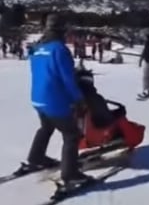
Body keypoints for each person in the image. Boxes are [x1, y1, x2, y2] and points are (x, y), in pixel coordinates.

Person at [26, 13, 92, 185]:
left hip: (37, 98)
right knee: (71, 134)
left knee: (46, 127)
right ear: (63, 29)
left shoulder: (37, 47)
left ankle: (36, 157)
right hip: (53, 100)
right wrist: (79, 100)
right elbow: (68, 79)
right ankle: (70, 174)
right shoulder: (59, 49)